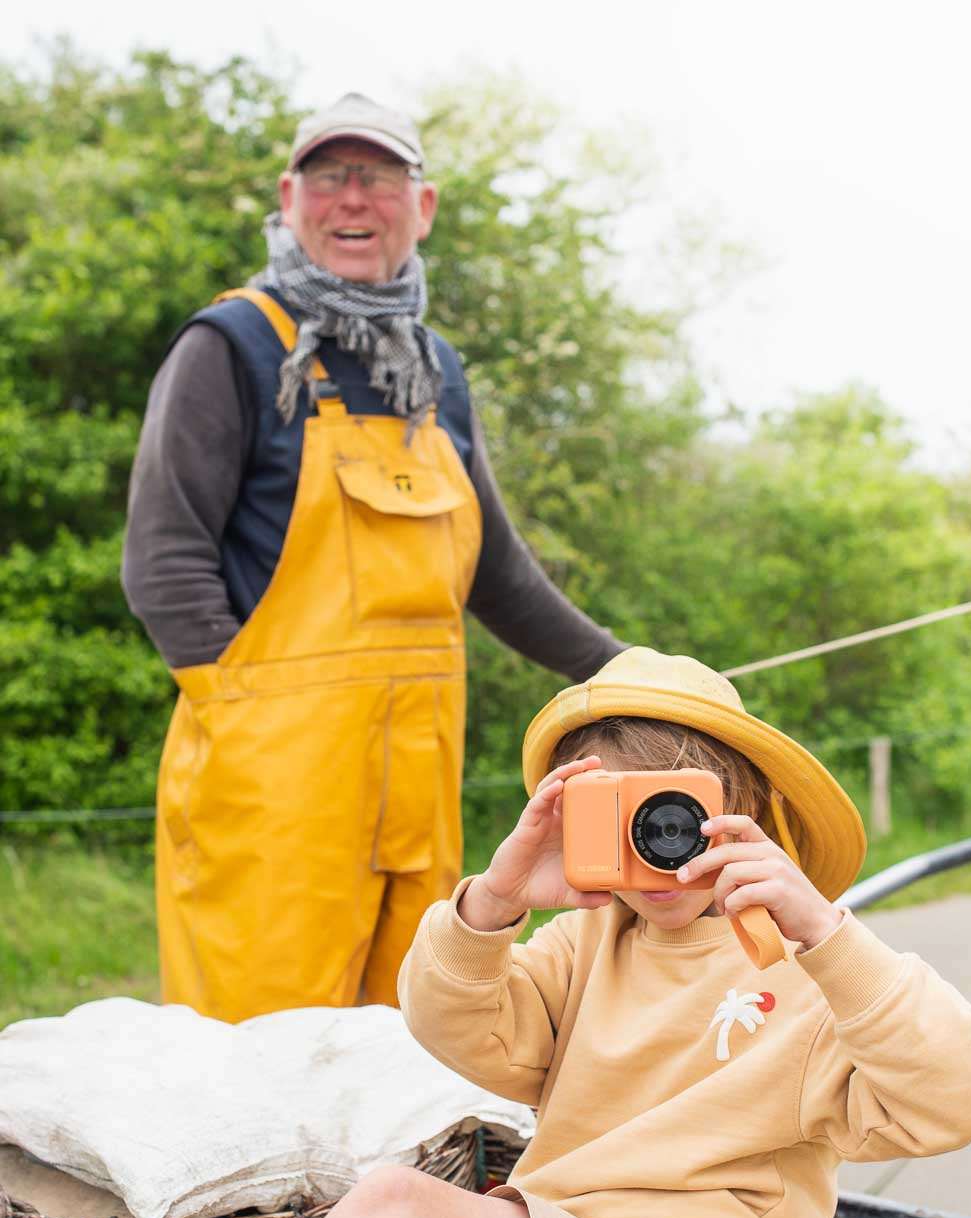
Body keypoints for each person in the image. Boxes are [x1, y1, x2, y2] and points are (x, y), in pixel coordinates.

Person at [5, 647, 971, 1218]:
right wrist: (494, 900)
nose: (654, 846)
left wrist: (822, 929)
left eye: (674, 811)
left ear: (738, 807)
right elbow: (459, 1030)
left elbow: (955, 1097)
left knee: (397, 1208)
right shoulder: (583, 945)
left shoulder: (804, 969)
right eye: (613, 816)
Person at [121, 91, 623, 1023]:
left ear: (420, 206)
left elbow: (497, 574)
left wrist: (627, 670)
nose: (353, 198)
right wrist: (249, 720)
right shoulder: (229, 347)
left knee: (406, 1045)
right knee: (262, 1050)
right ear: (289, 196)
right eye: (329, 175)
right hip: (270, 789)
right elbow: (161, 562)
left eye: (379, 176)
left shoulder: (434, 371)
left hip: (416, 786)